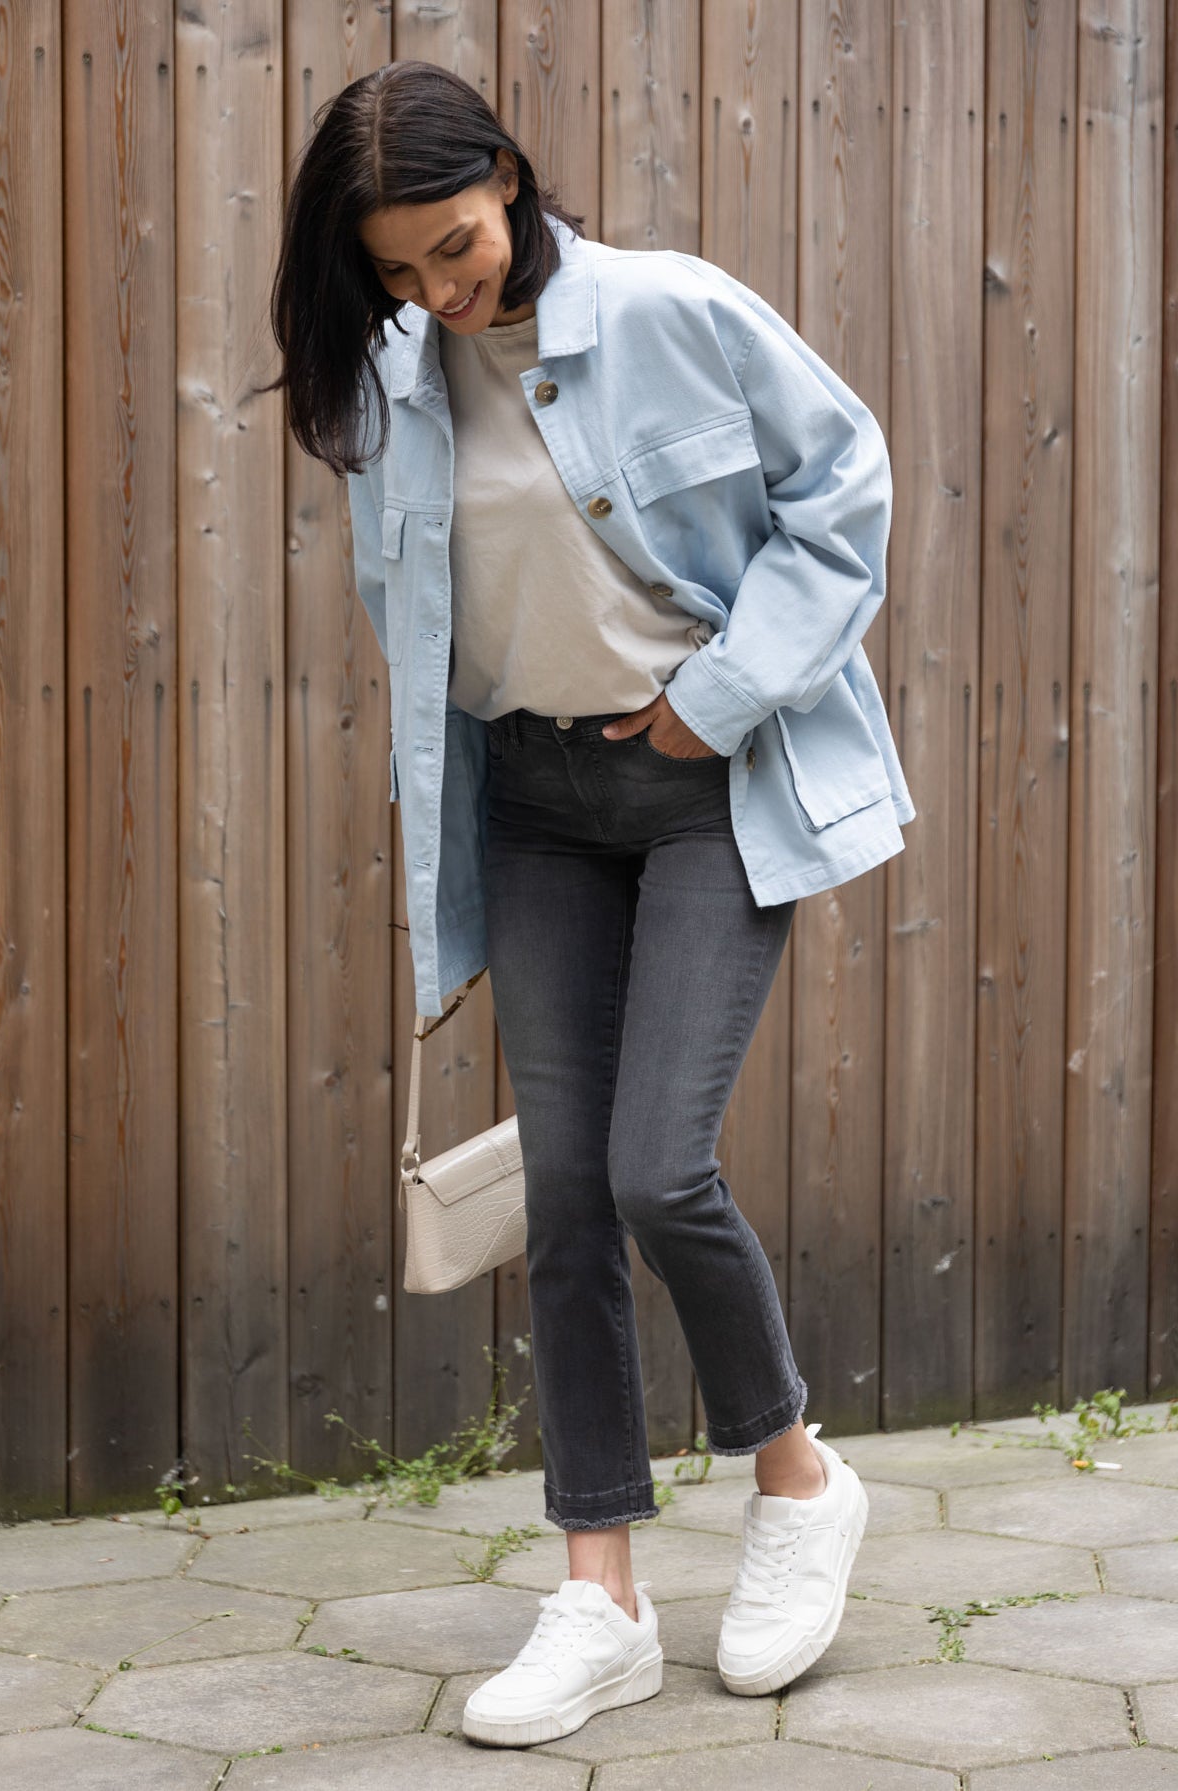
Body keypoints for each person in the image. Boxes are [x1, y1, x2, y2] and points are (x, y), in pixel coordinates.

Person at [268, 58, 915, 1750]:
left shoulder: (672, 311)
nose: (436, 289)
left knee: (653, 1167)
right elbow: (412, 613)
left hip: (707, 787)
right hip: (536, 802)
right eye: (396, 269)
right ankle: (602, 1597)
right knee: (565, 1195)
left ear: (507, 174)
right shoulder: (395, 377)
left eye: (455, 245)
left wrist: (720, 696)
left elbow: (843, 490)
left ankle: (797, 1480)